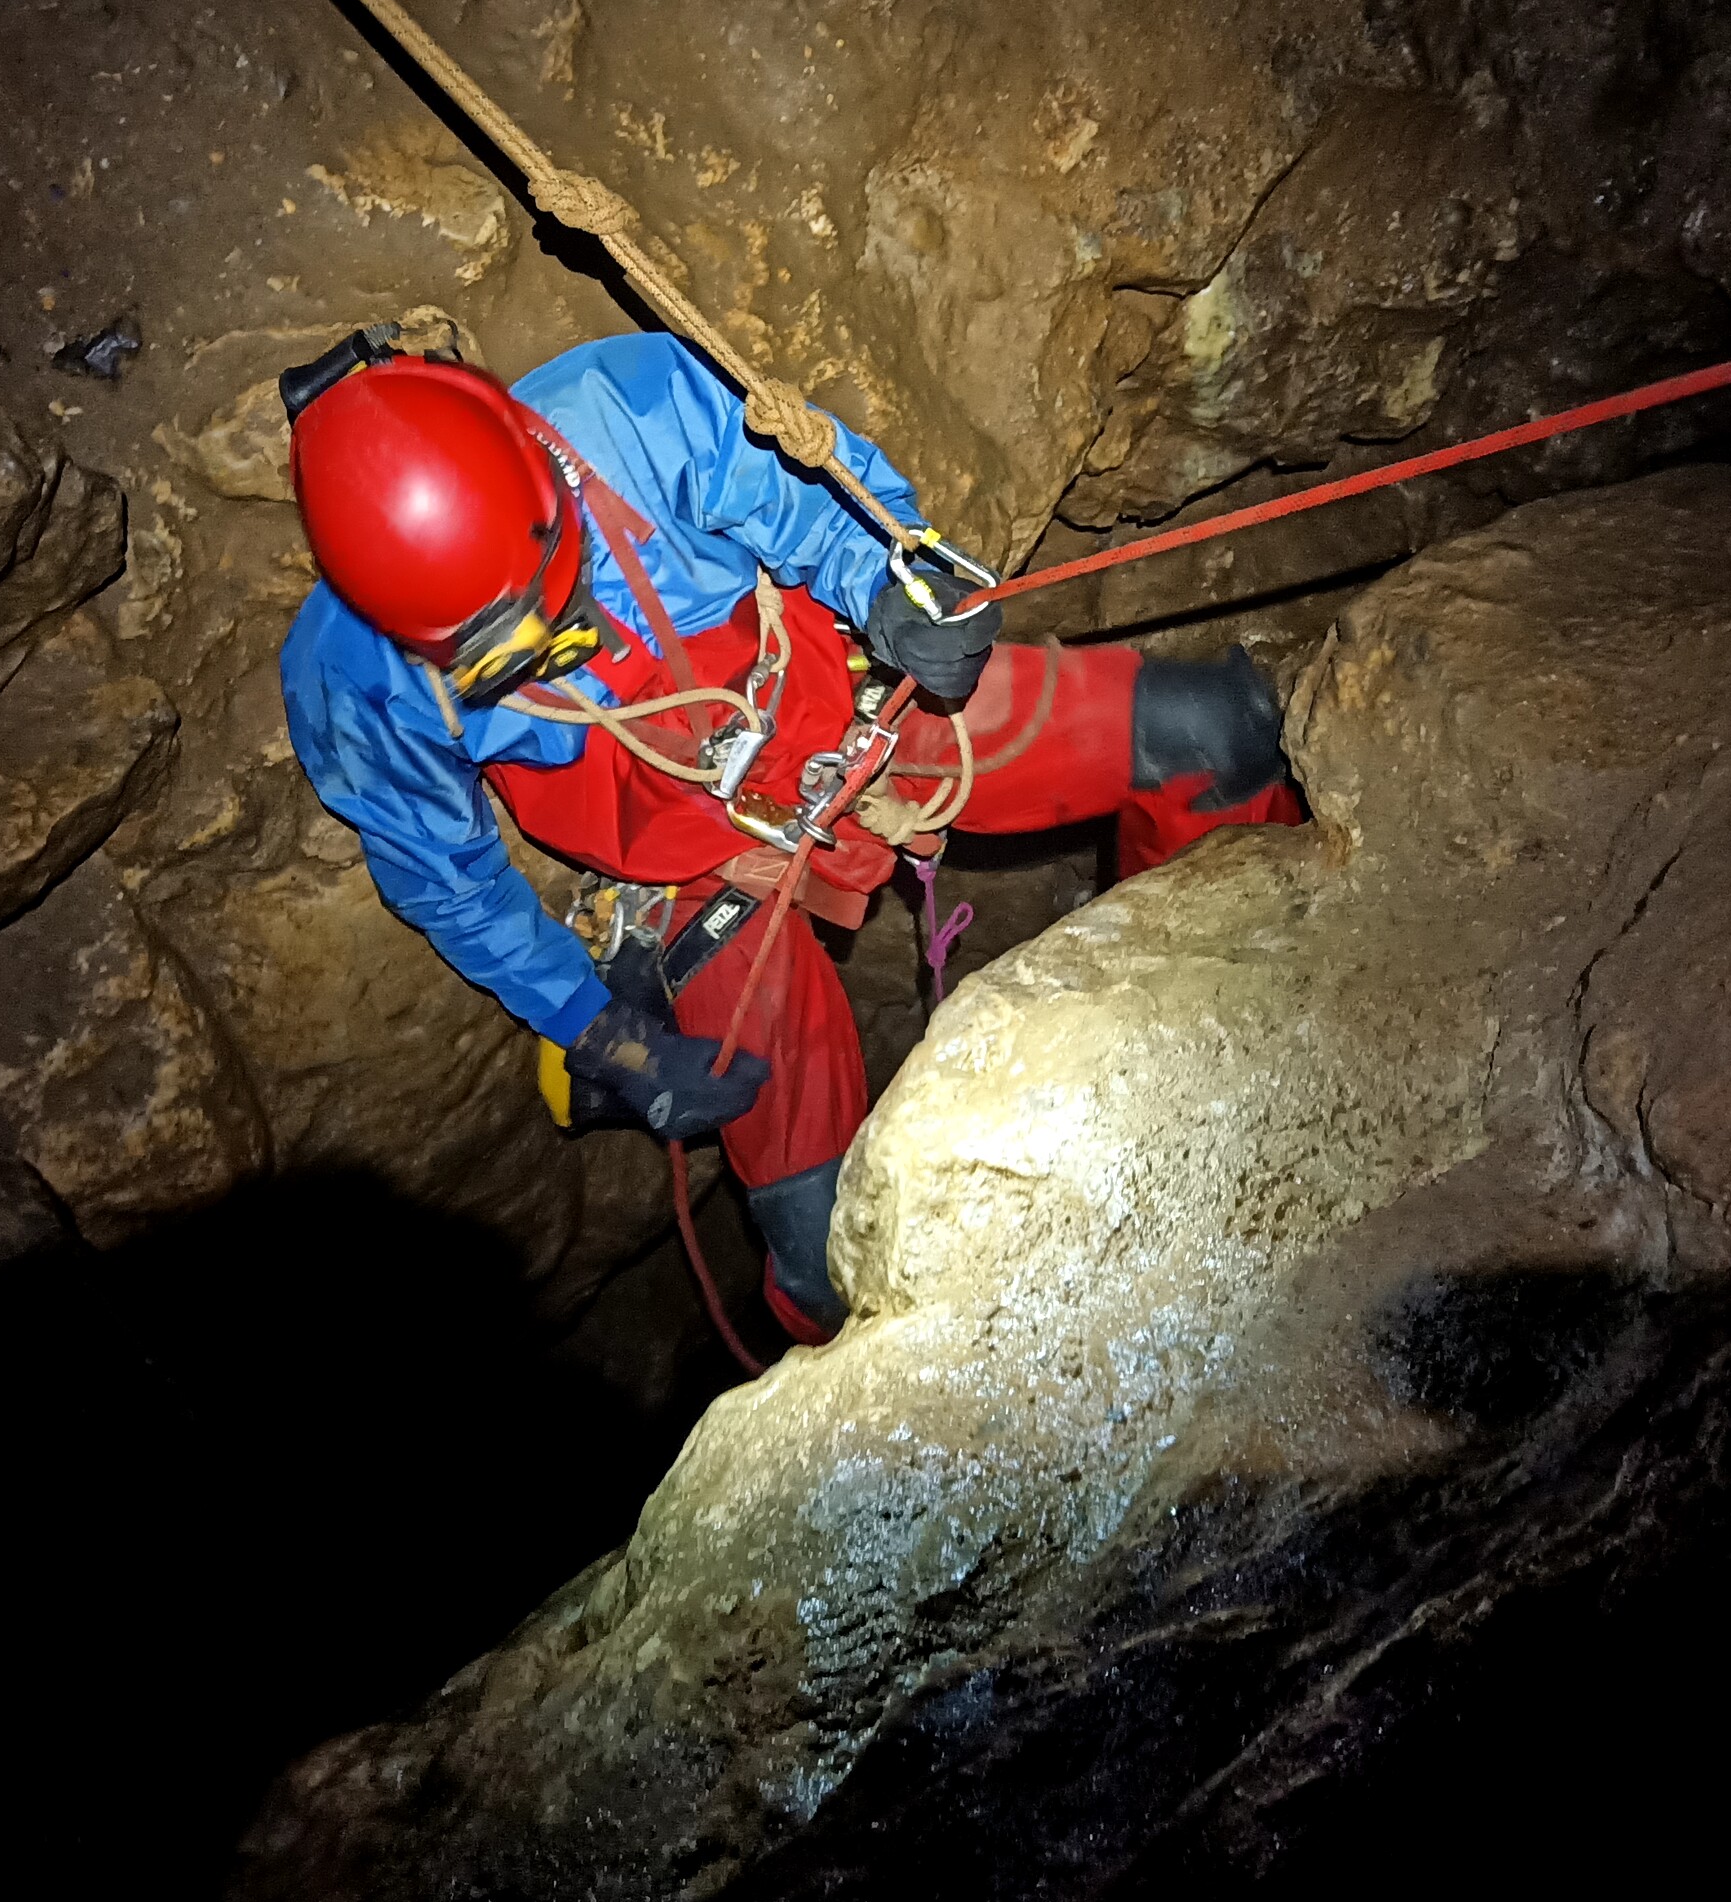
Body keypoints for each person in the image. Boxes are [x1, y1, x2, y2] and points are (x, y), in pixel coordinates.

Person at [278, 325, 1299, 1344]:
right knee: (823, 1261)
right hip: (693, 872)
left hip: (840, 714)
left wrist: (897, 585)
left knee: (1220, 735)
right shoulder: (356, 679)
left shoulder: (628, 410)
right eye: (510, 659)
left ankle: (1235, 1010)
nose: (558, 649)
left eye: (558, 601)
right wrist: (607, 1035)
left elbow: (822, 493)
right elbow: (453, 884)